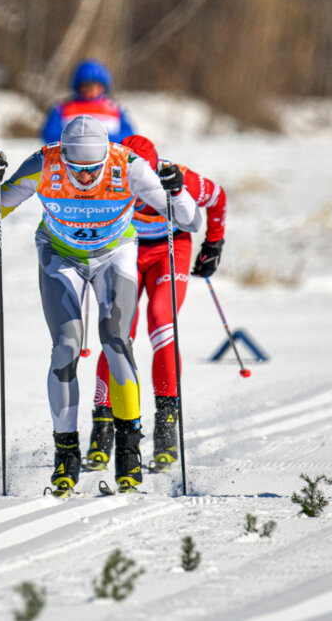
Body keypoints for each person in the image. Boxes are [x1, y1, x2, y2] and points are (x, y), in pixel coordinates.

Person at [0, 116, 200, 494]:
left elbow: (189, 220)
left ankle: (128, 453)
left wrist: (176, 191)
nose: (82, 177)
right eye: (75, 168)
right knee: (65, 346)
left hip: (114, 254)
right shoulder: (44, 164)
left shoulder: (128, 166)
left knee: (115, 339)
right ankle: (65, 456)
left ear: (104, 159)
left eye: (91, 170)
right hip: (60, 254)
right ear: (63, 155)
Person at [89, 135, 228, 473]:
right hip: (126, 250)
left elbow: (218, 197)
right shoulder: (104, 180)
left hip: (170, 250)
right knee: (117, 332)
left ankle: (166, 428)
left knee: (162, 321)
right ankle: (102, 429)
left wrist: (214, 243)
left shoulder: (177, 177)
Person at [40, 59, 135, 144]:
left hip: (109, 159)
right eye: (87, 85)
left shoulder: (115, 107)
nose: (92, 89)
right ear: (78, 86)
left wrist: (102, 140)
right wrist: (79, 140)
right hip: (71, 159)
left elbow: (128, 135)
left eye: (96, 85)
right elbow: (49, 134)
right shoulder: (63, 107)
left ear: (103, 87)